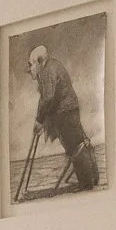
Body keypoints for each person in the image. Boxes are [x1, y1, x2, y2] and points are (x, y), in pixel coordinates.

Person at [27, 44, 101, 192]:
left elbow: (48, 98)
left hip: (65, 113)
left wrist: (40, 121)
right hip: (69, 111)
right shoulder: (50, 67)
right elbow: (44, 99)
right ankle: (93, 177)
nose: (29, 69)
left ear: (40, 61)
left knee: (75, 148)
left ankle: (86, 184)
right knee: (80, 143)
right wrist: (39, 119)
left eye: (30, 64)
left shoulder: (48, 70)